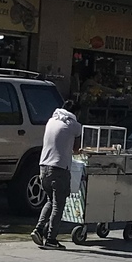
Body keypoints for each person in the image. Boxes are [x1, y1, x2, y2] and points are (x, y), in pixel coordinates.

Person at [33, 104, 81, 249]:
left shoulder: (51, 120)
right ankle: (51, 239)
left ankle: (38, 229)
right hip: (59, 169)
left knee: (50, 201)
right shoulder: (73, 125)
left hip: (43, 167)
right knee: (58, 206)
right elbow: (77, 148)